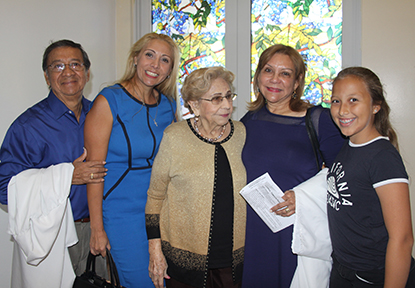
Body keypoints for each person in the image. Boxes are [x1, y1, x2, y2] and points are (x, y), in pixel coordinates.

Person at [0, 39, 107, 287]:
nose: (68, 72)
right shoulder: (28, 126)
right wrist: (66, 176)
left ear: (87, 73)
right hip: (52, 234)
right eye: (57, 66)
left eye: (75, 64)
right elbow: (5, 188)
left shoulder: (102, 116)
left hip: (101, 229)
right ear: (47, 77)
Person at [240, 44, 345, 288]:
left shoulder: (318, 119)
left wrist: (305, 198)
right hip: (255, 232)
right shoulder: (248, 121)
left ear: (297, 82)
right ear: (258, 77)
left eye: (285, 73)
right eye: (268, 70)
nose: (275, 79)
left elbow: (345, 175)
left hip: (298, 231)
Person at [85, 32, 180, 288]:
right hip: (122, 211)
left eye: (164, 60)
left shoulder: (168, 105)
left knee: (165, 281)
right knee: (142, 282)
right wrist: (97, 229)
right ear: (136, 58)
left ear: (170, 70)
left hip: (161, 210)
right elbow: (93, 170)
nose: (155, 65)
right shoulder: (109, 100)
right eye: (149, 55)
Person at [145, 66, 246, 288]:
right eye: (217, 99)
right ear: (194, 104)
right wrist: (155, 251)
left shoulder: (241, 133)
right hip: (184, 261)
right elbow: (155, 198)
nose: (228, 105)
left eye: (229, 96)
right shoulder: (175, 137)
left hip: (230, 259)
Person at [327, 66, 414, 288]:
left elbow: (402, 239)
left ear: (376, 106)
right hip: (343, 269)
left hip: (371, 275)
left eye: (353, 100)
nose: (342, 110)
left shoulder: (382, 157)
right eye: (336, 101)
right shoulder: (349, 146)